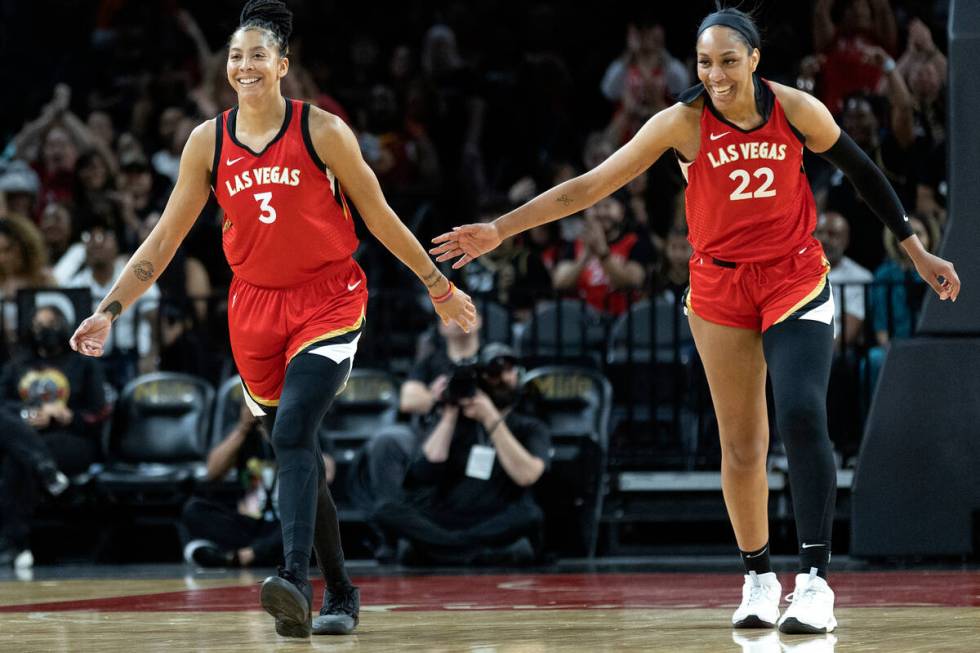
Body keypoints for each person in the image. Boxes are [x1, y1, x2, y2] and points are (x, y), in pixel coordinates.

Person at [432, 6, 960, 635]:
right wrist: (500, 228)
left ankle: (815, 582)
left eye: (728, 61)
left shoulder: (798, 110)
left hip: (793, 276)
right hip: (719, 285)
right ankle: (759, 578)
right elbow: (592, 186)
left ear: (755, 60)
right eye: (705, 62)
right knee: (740, 443)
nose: (715, 74)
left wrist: (915, 249)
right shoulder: (681, 123)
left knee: (798, 411)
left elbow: (865, 174)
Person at [69, 0, 475, 640]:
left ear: (283, 65)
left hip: (327, 300)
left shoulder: (323, 131)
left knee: (291, 435)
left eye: (258, 54)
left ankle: (290, 581)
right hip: (253, 309)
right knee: (297, 450)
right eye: (236, 56)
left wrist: (438, 284)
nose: (245, 65)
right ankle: (341, 590)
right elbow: (163, 239)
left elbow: (380, 217)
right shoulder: (208, 142)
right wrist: (109, 308)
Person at [371, 343, 550, 566]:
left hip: (492, 516)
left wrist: (490, 418)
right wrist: (449, 412)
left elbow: (527, 475)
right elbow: (424, 473)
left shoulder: (530, 427)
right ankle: (471, 551)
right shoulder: (456, 420)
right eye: (494, 373)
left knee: (530, 515)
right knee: (385, 510)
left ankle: (442, 549)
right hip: (445, 516)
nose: (503, 378)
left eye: (509, 370)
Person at [0, 304, 109, 568]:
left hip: (71, 439)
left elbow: (100, 413)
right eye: (38, 325)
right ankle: (45, 469)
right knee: (19, 454)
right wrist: (30, 413)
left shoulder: (83, 364)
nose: (43, 331)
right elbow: (4, 407)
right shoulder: (18, 366)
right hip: (28, 437)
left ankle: (15, 545)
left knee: (17, 458)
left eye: (49, 325)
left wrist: (69, 416)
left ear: (64, 326)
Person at [182, 402, 336, 569]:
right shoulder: (243, 435)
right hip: (251, 523)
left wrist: (286, 435)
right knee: (194, 509)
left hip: (287, 522)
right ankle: (263, 553)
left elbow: (327, 475)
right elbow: (213, 472)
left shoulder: (306, 430)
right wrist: (242, 429)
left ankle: (243, 555)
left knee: (314, 517)